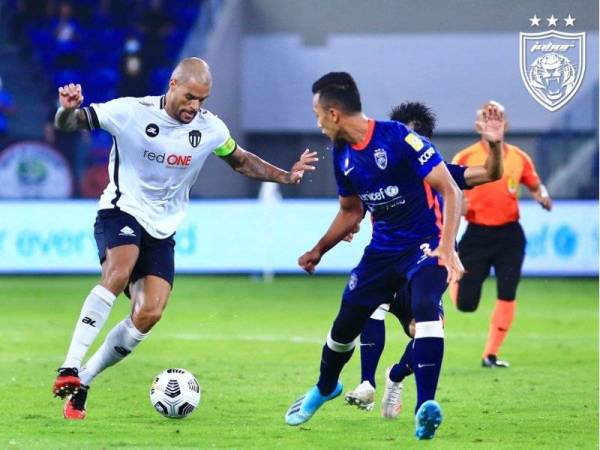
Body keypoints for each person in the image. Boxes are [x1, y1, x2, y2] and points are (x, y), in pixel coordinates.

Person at [51, 57, 318, 420]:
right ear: (173, 85)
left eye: (203, 100)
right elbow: (71, 123)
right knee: (117, 272)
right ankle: (69, 365)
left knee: (149, 312)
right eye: (190, 97)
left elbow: (240, 160)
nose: (195, 106)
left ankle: (82, 382)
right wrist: (66, 110)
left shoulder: (210, 128)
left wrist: (285, 176)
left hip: (163, 229)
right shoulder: (131, 111)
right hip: (121, 210)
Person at [284, 73, 464, 440]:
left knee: (428, 306)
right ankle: (325, 386)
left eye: (318, 114)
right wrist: (319, 249)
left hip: (424, 245)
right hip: (382, 253)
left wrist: (447, 246)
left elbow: (450, 188)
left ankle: (424, 408)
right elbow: (351, 211)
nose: (317, 123)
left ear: (334, 113)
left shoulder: (397, 137)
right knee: (345, 324)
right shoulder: (342, 154)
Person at [345, 101, 506, 417]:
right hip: (391, 263)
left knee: (427, 330)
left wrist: (495, 144)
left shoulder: (442, 173)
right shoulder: (378, 175)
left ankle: (395, 376)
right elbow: (356, 204)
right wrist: (353, 223)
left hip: (429, 263)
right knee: (372, 305)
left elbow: (490, 172)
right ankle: (366, 384)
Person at [451, 101, 552, 368]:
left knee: (507, 292)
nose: (492, 122)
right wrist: (457, 201)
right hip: (477, 236)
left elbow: (534, 181)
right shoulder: (465, 157)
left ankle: (490, 355)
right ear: (477, 126)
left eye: (498, 118)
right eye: (485, 118)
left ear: (505, 124)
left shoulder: (519, 157)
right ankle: (453, 279)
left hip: (509, 236)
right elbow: (447, 186)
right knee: (466, 305)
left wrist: (542, 194)